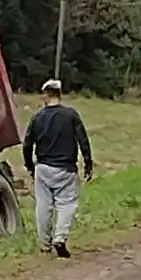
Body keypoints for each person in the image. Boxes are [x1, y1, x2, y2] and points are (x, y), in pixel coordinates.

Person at [22, 79, 93, 258]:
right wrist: (88, 163)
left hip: (43, 168)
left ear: (45, 95)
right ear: (60, 94)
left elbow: (27, 144)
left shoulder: (37, 117)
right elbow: (83, 140)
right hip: (66, 169)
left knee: (43, 206)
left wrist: (30, 166)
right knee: (66, 204)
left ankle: (45, 243)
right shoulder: (71, 115)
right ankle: (60, 238)